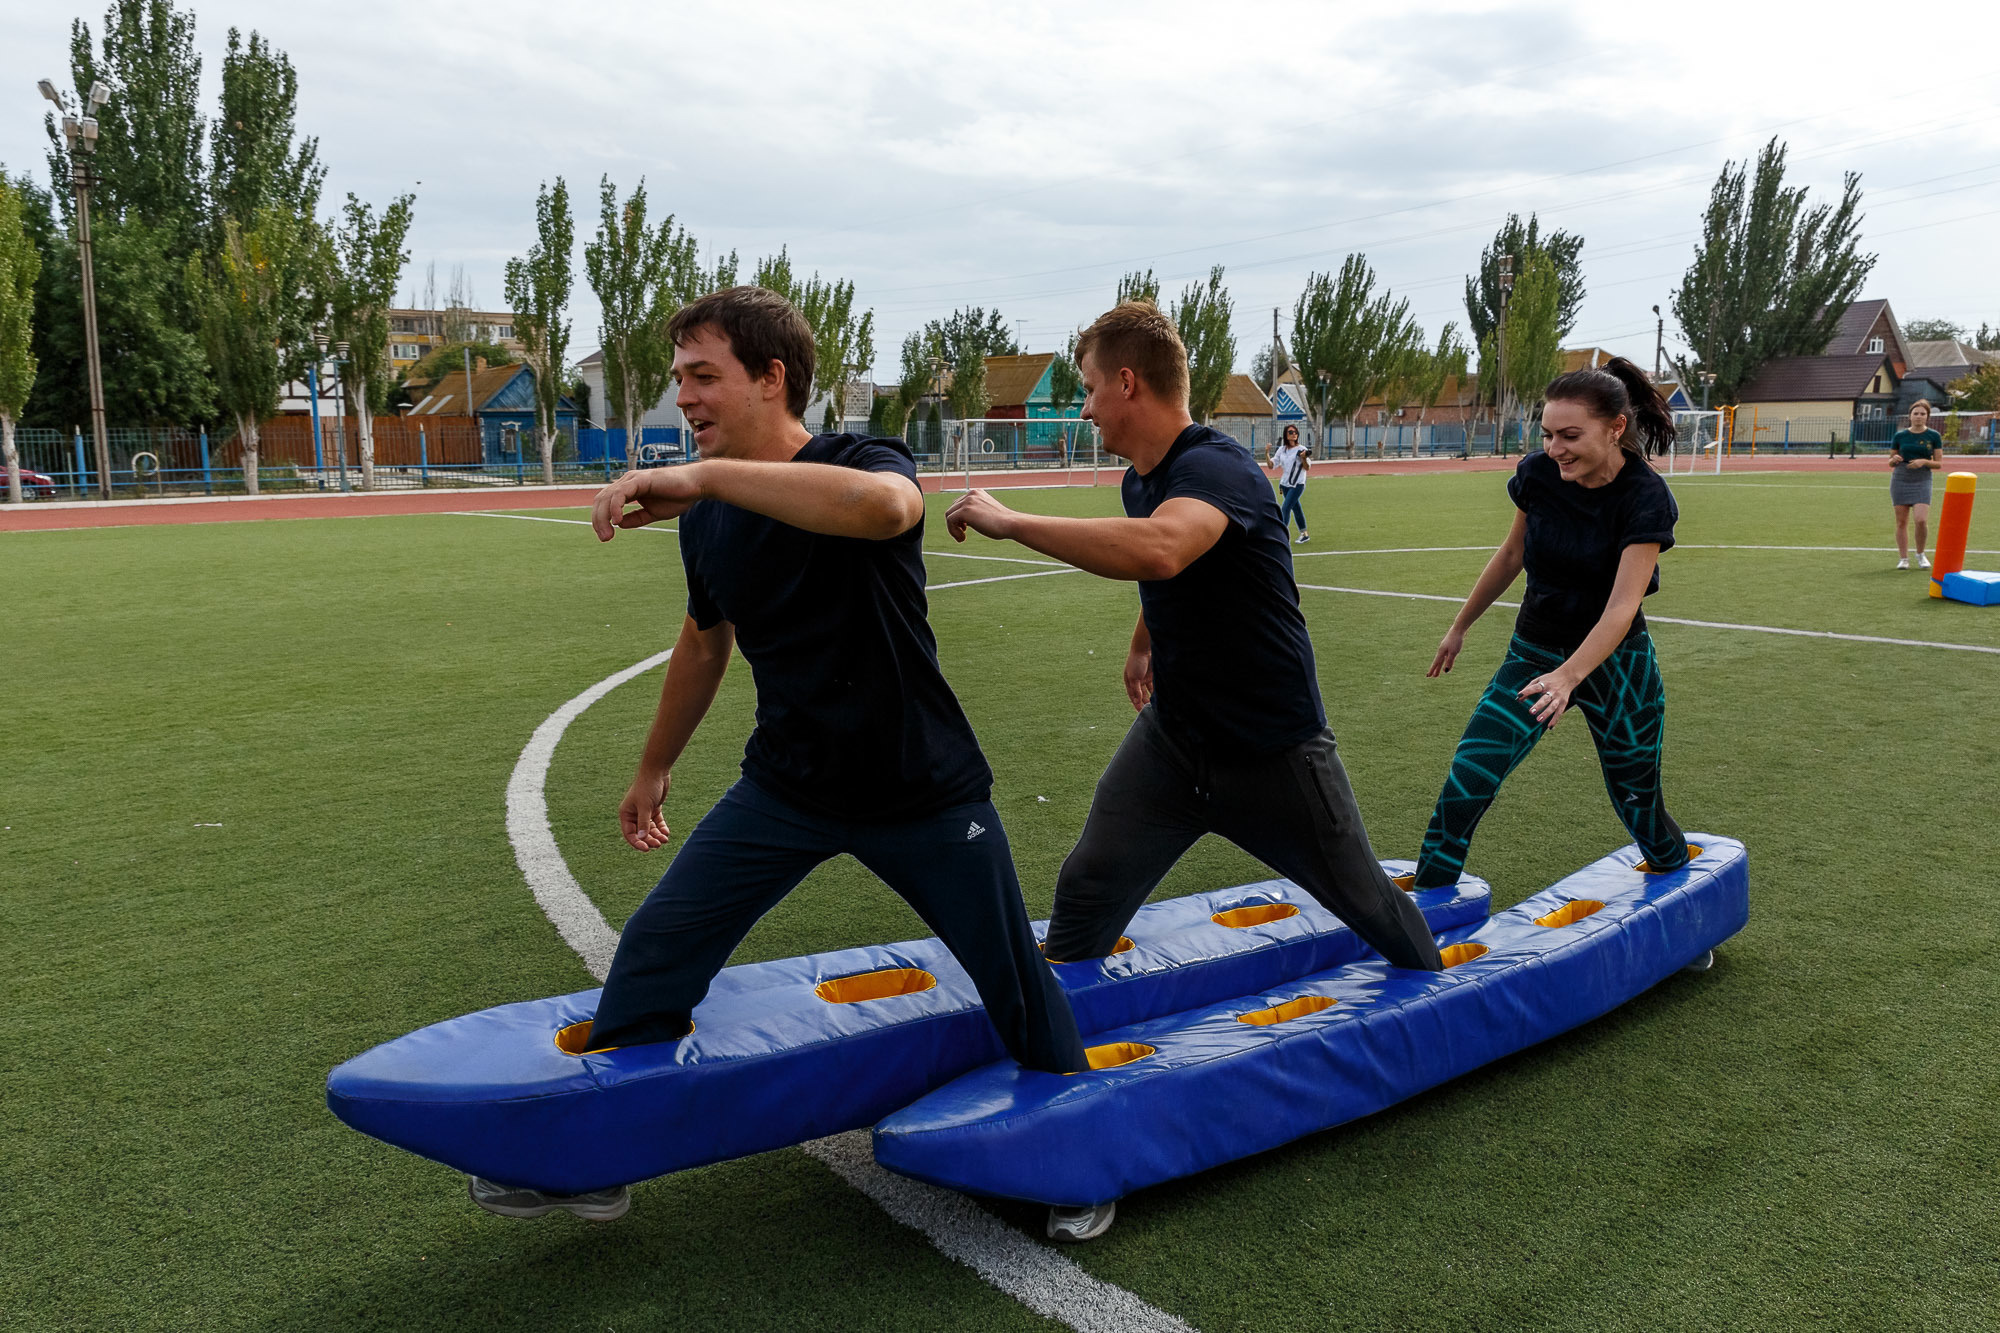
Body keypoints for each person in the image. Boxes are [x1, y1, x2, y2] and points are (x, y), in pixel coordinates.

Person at [467, 286, 1087, 1224]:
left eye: (704, 376)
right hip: (788, 785)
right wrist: (652, 766)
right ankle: (601, 1150)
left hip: (918, 786)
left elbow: (886, 508)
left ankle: (1075, 1159)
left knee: (1014, 979)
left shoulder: (855, 459)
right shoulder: (710, 513)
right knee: (660, 949)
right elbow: (704, 640)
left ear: (772, 377)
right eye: (680, 378)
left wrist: (703, 481)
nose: (686, 397)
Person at [946, 301, 1445, 1242]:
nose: (1086, 407)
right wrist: (1144, 639)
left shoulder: (1215, 466)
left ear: (1128, 382)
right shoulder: (1147, 476)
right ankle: (1059, 1053)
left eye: (1091, 388)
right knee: (1088, 883)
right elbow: (1170, 568)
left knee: (1369, 902)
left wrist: (1013, 519)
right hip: (1177, 743)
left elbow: (1171, 544)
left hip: (1274, 749)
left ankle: (1449, 1001)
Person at [1409, 357, 1690, 895]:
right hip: (1533, 653)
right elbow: (1512, 553)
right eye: (1547, 434)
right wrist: (1460, 625)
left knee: (1637, 801)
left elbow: (1621, 607)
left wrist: (1569, 676)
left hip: (1617, 666)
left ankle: (1679, 895)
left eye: (1570, 435)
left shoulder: (1645, 496)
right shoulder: (1538, 473)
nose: (1555, 448)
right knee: (1470, 778)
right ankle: (1428, 909)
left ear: (1615, 429)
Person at [1889, 399, 1944, 570]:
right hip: (1901, 477)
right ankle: (1903, 558)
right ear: (1910, 415)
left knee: (1921, 519)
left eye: (1922, 414)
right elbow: (1891, 461)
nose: (1919, 416)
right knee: (1901, 522)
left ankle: (1920, 554)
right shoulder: (1900, 436)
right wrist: (1894, 459)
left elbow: (1939, 463)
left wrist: (1923, 461)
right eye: (1916, 413)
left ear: (1927, 417)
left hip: (1922, 478)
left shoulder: (1933, 436)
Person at [1269, 423, 1311, 542]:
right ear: (1286, 435)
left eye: (1295, 432)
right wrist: (1267, 454)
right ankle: (1304, 534)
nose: (1294, 434)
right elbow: (1272, 465)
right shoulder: (1282, 450)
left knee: (1286, 508)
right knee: (1296, 508)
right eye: (1291, 432)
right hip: (1284, 485)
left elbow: (1307, 467)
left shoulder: (1302, 449)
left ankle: (1281, 536)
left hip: (1298, 484)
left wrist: (1303, 458)